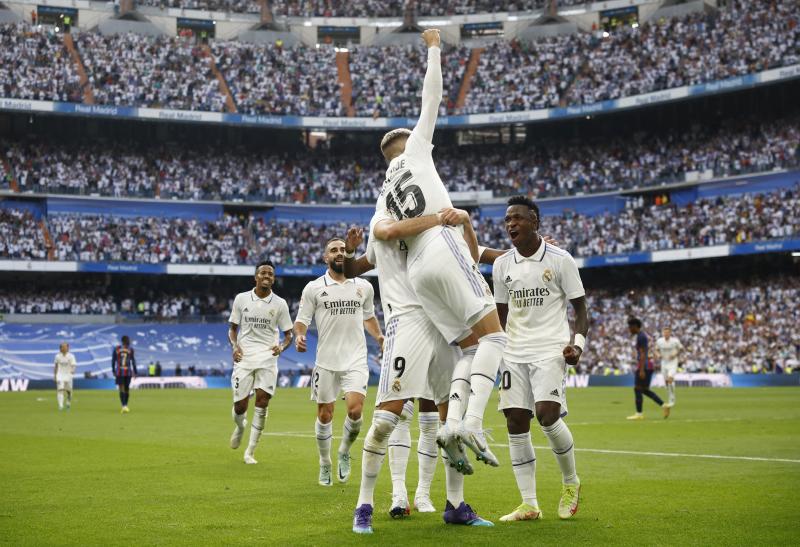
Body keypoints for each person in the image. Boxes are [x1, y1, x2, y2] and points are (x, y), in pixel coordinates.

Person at [375, 27, 506, 470]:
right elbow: (432, 97)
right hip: (442, 246)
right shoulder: (415, 151)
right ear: (406, 142)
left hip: (417, 272)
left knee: (469, 348)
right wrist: (433, 47)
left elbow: (386, 234)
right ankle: (471, 423)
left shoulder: (384, 193)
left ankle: (452, 426)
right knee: (495, 337)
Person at [344, 207, 492, 533]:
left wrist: (465, 223)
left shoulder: (441, 222)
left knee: (451, 419)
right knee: (386, 419)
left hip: (446, 322)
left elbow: (470, 260)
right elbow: (355, 266)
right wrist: (350, 252)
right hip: (407, 320)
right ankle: (364, 506)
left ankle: (456, 506)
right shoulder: (385, 220)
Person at [489, 195, 588, 521]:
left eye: (517, 218)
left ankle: (571, 482)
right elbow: (500, 315)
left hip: (550, 349)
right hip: (513, 352)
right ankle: (529, 503)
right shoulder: (502, 265)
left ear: (535, 222)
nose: (511, 224)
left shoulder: (561, 260)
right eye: (507, 220)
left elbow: (581, 310)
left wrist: (578, 346)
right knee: (516, 421)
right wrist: (493, 352)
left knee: (547, 416)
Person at [294, 238, 384, 487]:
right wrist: (299, 335)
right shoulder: (313, 288)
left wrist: (379, 336)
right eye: (333, 250)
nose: (340, 253)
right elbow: (302, 320)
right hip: (326, 361)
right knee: (325, 415)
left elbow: (369, 317)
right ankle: (325, 463)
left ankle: (344, 450)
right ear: (326, 258)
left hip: (356, 359)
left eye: (343, 249)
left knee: (355, 411)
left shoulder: (364, 286)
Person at [228, 259, 293, 465]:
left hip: (267, 357)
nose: (267, 276)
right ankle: (240, 426)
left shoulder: (280, 304)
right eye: (263, 273)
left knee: (262, 401)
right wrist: (235, 346)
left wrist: (281, 346)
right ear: (256, 276)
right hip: (245, 357)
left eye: (270, 274)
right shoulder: (241, 299)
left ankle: (250, 451)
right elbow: (232, 329)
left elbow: (289, 334)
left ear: (273, 279)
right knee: (240, 406)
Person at [627, 318, 669, 420]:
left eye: (630, 327)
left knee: (637, 388)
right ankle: (664, 405)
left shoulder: (641, 337)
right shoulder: (643, 335)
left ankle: (639, 414)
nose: (629, 329)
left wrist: (641, 369)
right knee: (644, 390)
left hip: (645, 365)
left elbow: (643, 353)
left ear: (635, 326)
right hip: (649, 365)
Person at [655, 326, 683, 408]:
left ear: (670, 333)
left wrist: (675, 354)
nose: (666, 334)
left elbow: (681, 348)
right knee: (667, 383)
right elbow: (656, 349)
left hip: (673, 362)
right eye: (665, 332)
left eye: (667, 332)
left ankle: (672, 400)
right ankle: (670, 395)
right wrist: (658, 355)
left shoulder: (675, 341)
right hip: (664, 363)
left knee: (670, 379)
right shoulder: (659, 341)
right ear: (663, 333)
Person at [111, 335, 136, 413]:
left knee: (121, 388)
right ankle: (125, 405)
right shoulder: (130, 349)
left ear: (122, 341)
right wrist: (135, 371)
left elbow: (113, 360)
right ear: (127, 341)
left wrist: (113, 370)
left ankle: (124, 405)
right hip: (128, 371)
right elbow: (133, 361)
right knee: (127, 388)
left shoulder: (117, 349)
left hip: (119, 371)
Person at [54, 342, 77, 411]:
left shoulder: (71, 356)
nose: (63, 348)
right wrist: (55, 375)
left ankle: (68, 402)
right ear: (60, 348)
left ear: (68, 348)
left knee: (69, 390)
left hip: (68, 375)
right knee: (60, 389)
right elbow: (56, 366)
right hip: (60, 374)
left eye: (65, 347)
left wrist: (73, 370)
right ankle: (60, 405)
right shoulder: (57, 356)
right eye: (62, 347)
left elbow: (74, 365)